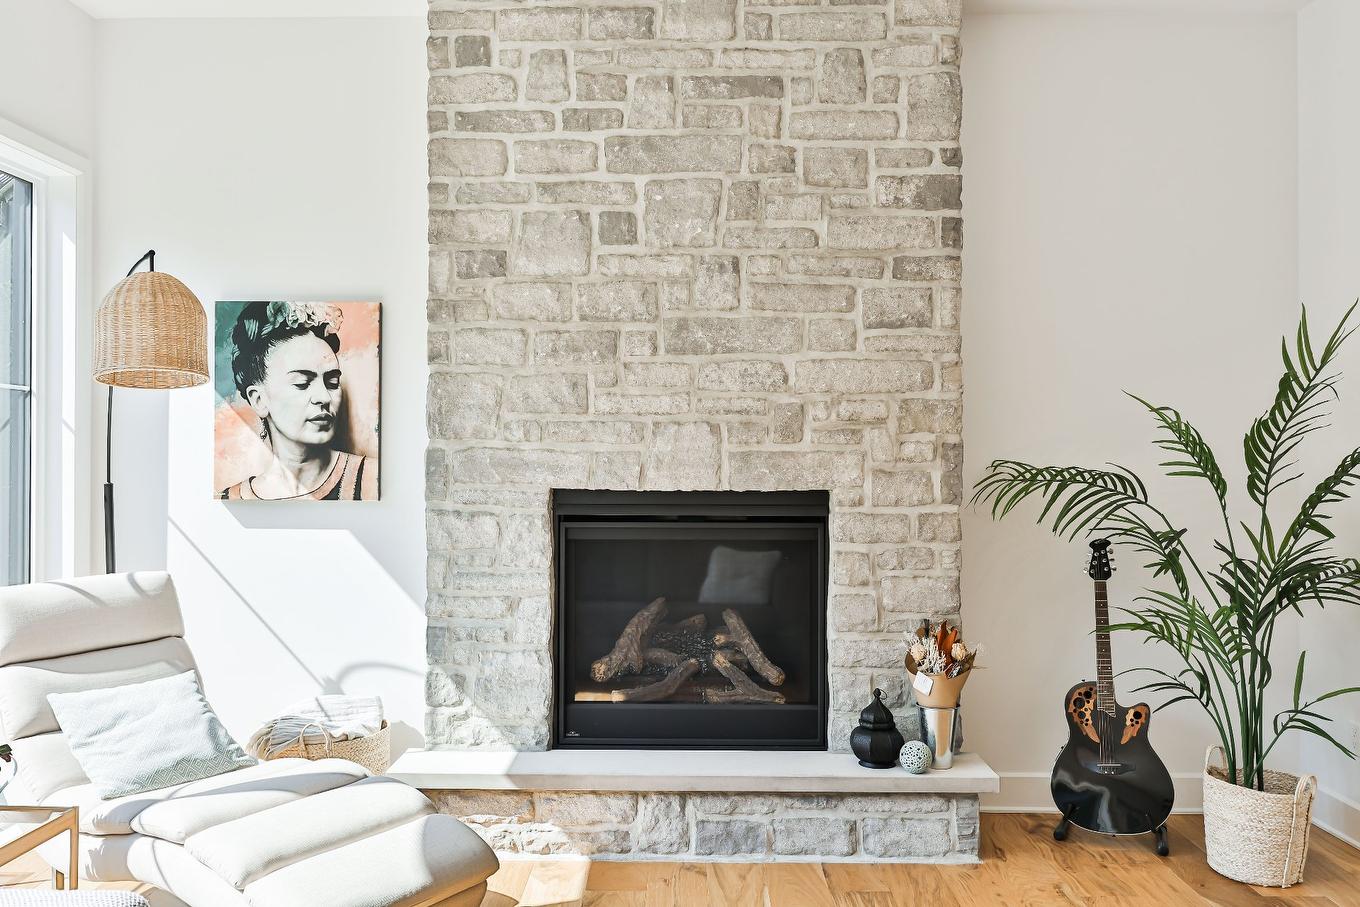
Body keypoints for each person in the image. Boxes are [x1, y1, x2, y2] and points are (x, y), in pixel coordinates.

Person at [219, 302, 378, 500]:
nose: (324, 397)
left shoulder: (373, 479)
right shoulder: (231, 499)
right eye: (302, 383)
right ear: (259, 400)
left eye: (332, 382)